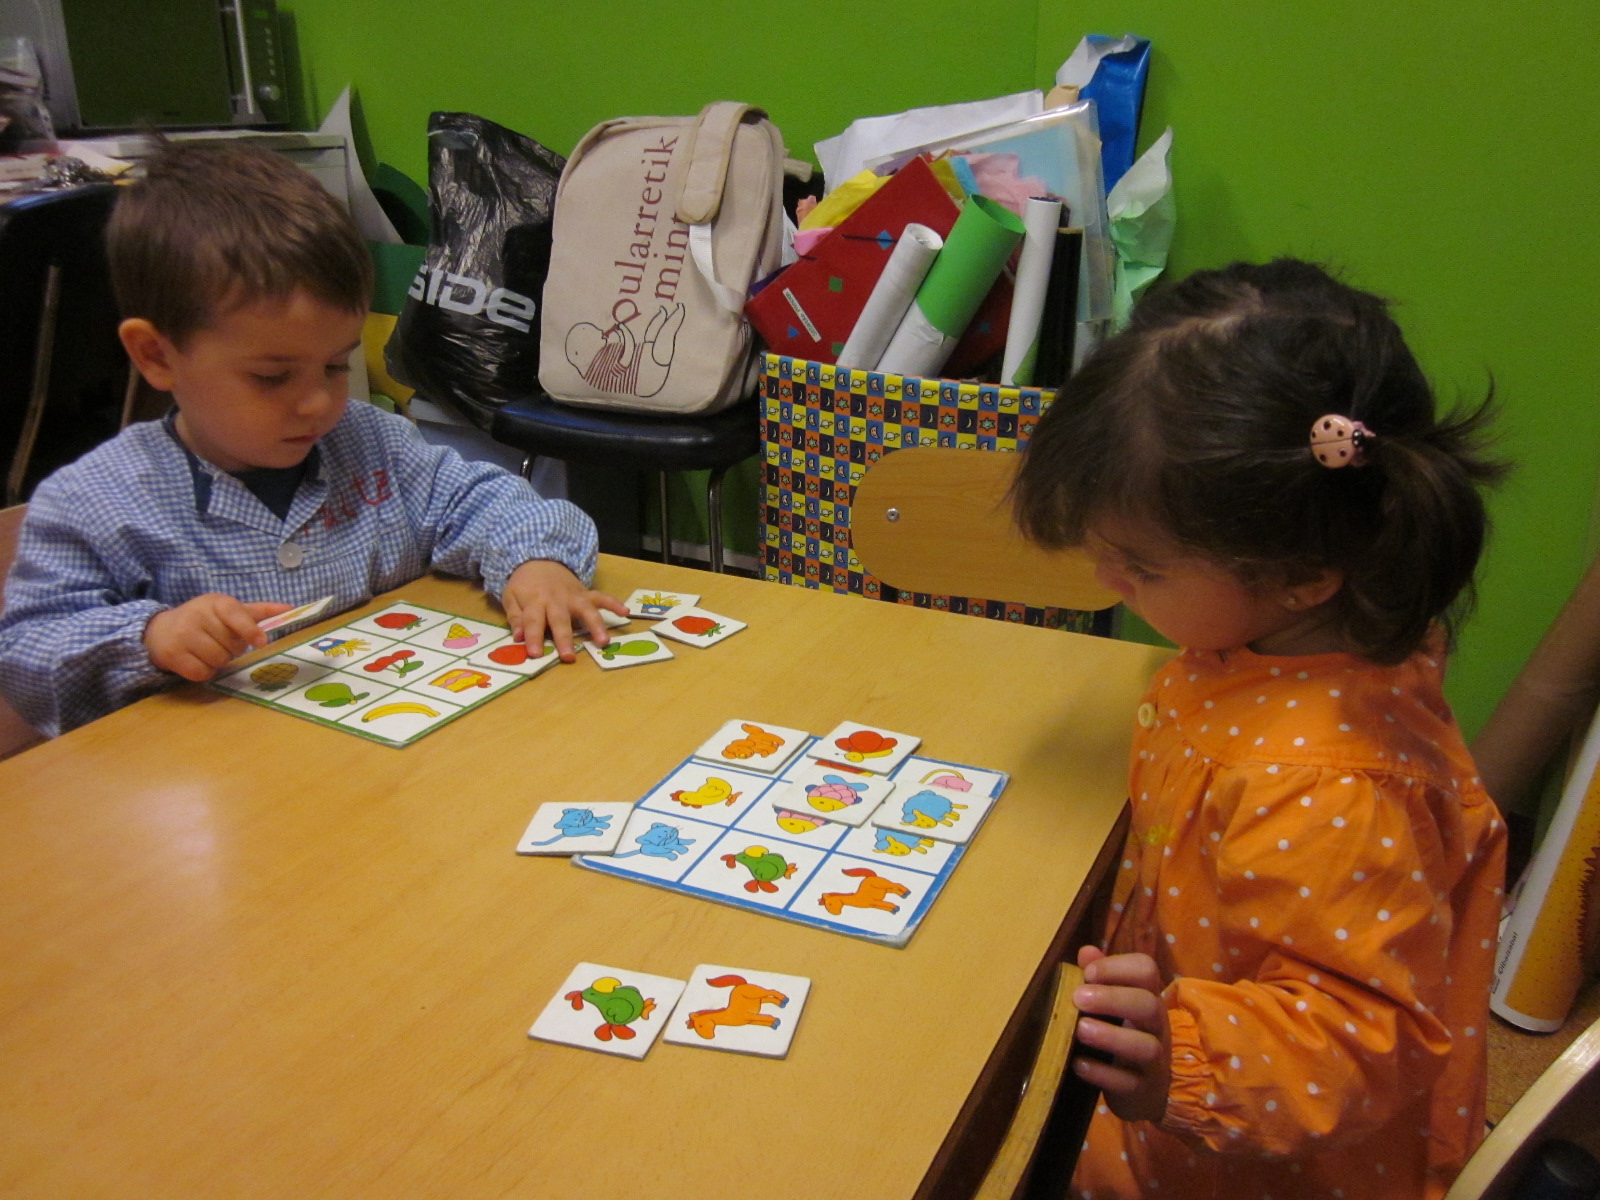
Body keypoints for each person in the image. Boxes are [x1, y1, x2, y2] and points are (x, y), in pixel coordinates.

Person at [1012, 259, 1508, 1199]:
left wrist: (1182, 1059)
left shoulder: (1329, 789)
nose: (1109, 581)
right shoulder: (1289, 640)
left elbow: (1363, 1038)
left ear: (1302, 576)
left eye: (1141, 568)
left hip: (1261, 1158)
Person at [0, 140, 622, 738]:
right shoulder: (92, 501)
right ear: (157, 356)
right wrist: (150, 638)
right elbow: (27, 655)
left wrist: (535, 561)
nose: (319, 402)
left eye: (334, 365)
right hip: (206, 784)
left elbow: (483, 500)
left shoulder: (372, 444)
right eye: (272, 377)